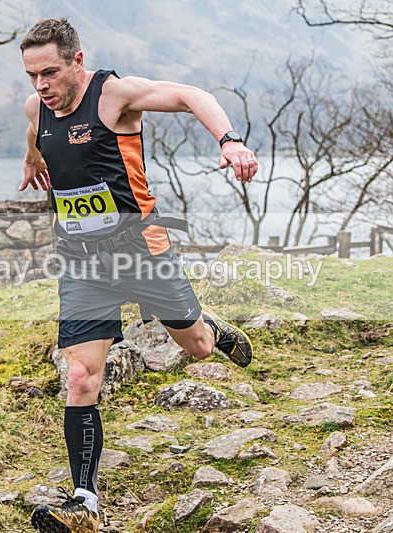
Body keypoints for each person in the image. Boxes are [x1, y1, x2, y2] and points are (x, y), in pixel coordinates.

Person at [18, 18, 258, 533]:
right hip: (81, 261)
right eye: (32, 75)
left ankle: (206, 324)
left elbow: (192, 94)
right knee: (81, 376)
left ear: (77, 62)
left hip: (140, 249)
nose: (41, 86)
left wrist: (230, 141)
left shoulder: (115, 96)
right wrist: (32, 157)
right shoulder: (37, 107)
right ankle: (85, 502)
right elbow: (36, 132)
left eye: (51, 73)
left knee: (195, 347)